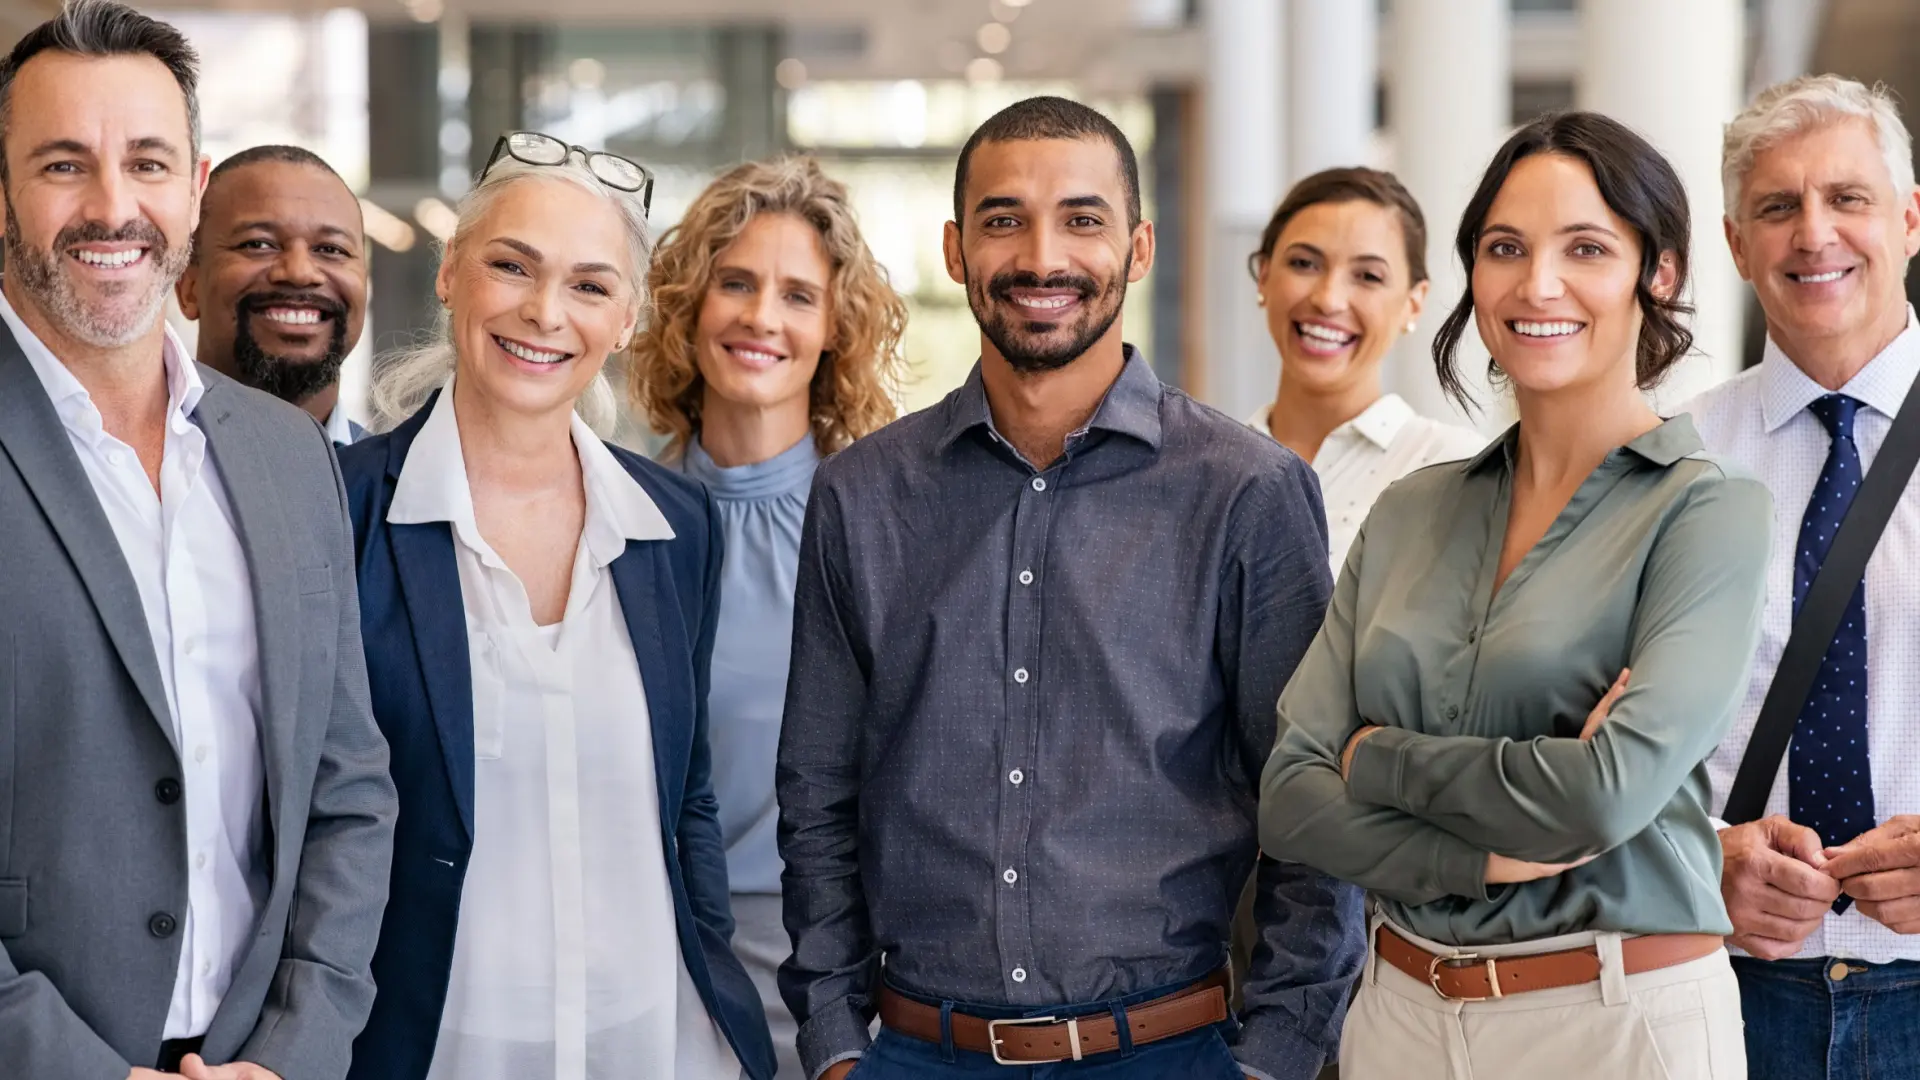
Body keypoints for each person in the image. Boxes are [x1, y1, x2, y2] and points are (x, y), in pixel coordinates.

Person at [778, 95, 1365, 1080]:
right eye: (1005, 219)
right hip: (919, 1055)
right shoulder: (860, 498)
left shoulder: (1248, 493)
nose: (1043, 257)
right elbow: (818, 795)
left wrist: (1273, 1058)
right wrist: (838, 1047)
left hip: (1173, 1054)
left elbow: (1313, 808)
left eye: (1082, 220)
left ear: (1137, 248)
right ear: (958, 249)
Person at [1260, 111, 1772, 1080]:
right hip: (1400, 1014)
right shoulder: (1411, 511)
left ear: (1657, 273)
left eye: (1586, 248)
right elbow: (1288, 801)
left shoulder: (1709, 513)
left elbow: (1602, 795)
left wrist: (1375, 759)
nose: (1537, 285)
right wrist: (1481, 855)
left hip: (1616, 1020)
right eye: (1505, 249)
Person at [0, 3, 397, 1079]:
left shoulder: (282, 451)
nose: (112, 206)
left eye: (147, 162)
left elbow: (346, 790)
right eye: (62, 165)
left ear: (193, 188)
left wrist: (294, 1053)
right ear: (1, 194)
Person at [339, 130, 775, 1080]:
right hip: (433, 1047)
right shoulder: (340, 509)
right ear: (451, 272)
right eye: (511, 266)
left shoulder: (673, 523)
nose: (544, 312)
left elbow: (687, 795)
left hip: (655, 1041)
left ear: (626, 319)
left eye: (588, 285)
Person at [631, 153, 907, 1080]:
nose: (760, 318)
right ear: (688, 306)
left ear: (835, 328)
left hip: (839, 980)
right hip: (651, 963)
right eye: (735, 284)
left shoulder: (883, 527)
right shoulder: (619, 516)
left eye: (797, 295)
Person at [1683, 74, 1920, 1078]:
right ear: (1738, 245)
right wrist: (1699, 861)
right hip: (1723, 992)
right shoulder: (1669, 463)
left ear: (1910, 220)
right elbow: (1588, 749)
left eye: (1848, 199)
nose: (1813, 233)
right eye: (1777, 207)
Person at [1249, 167, 1484, 568]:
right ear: (1265, 275)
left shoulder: (1456, 470)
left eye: (1368, 276)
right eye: (1305, 263)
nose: (1329, 299)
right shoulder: (1208, 464)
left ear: (1413, 302)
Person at [176, 144, 371, 446]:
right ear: (187, 287)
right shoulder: (128, 473)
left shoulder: (406, 485)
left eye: (331, 249)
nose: (300, 272)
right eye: (258, 244)